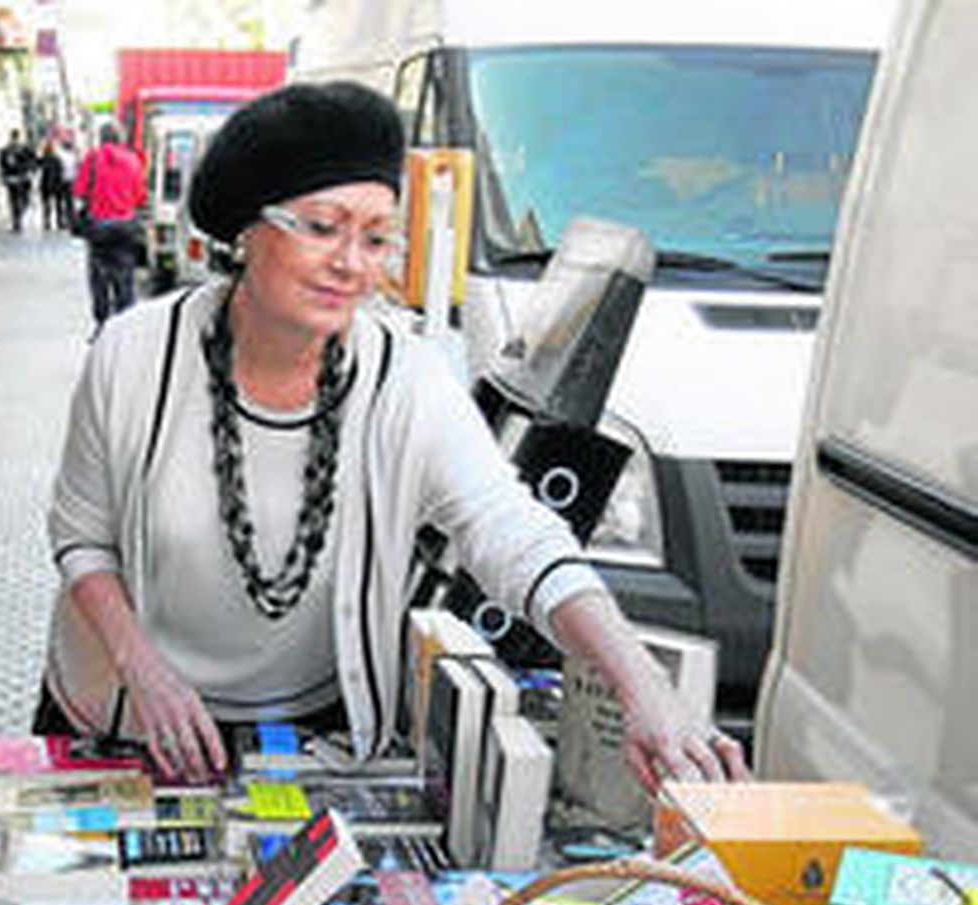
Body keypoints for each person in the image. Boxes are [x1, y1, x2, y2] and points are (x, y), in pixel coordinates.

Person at [37, 82, 751, 792]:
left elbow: (509, 528)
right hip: (125, 711)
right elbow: (81, 538)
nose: (352, 262)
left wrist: (642, 686)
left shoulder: (402, 378)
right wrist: (143, 669)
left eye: (375, 237)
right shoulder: (131, 357)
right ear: (248, 231)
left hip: (312, 733)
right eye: (322, 227)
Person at [73, 123, 147, 329]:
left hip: (99, 228)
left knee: (99, 276)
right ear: (119, 138)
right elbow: (140, 196)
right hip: (126, 227)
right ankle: (125, 322)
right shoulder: (133, 160)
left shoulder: (93, 158)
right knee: (125, 276)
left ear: (101, 138)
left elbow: (79, 191)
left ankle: (102, 321)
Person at [0, 129, 36, 233]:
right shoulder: (7, 150)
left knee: (18, 200)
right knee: (17, 200)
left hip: (19, 178)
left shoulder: (21, 149)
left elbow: (32, 161)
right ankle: (17, 221)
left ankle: (17, 218)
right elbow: (2, 165)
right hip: (18, 178)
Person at [37, 140, 68, 231]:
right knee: (58, 204)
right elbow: (61, 170)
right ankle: (59, 222)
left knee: (46, 204)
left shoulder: (42, 159)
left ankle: (47, 223)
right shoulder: (57, 159)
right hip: (57, 184)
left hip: (45, 184)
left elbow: (37, 170)